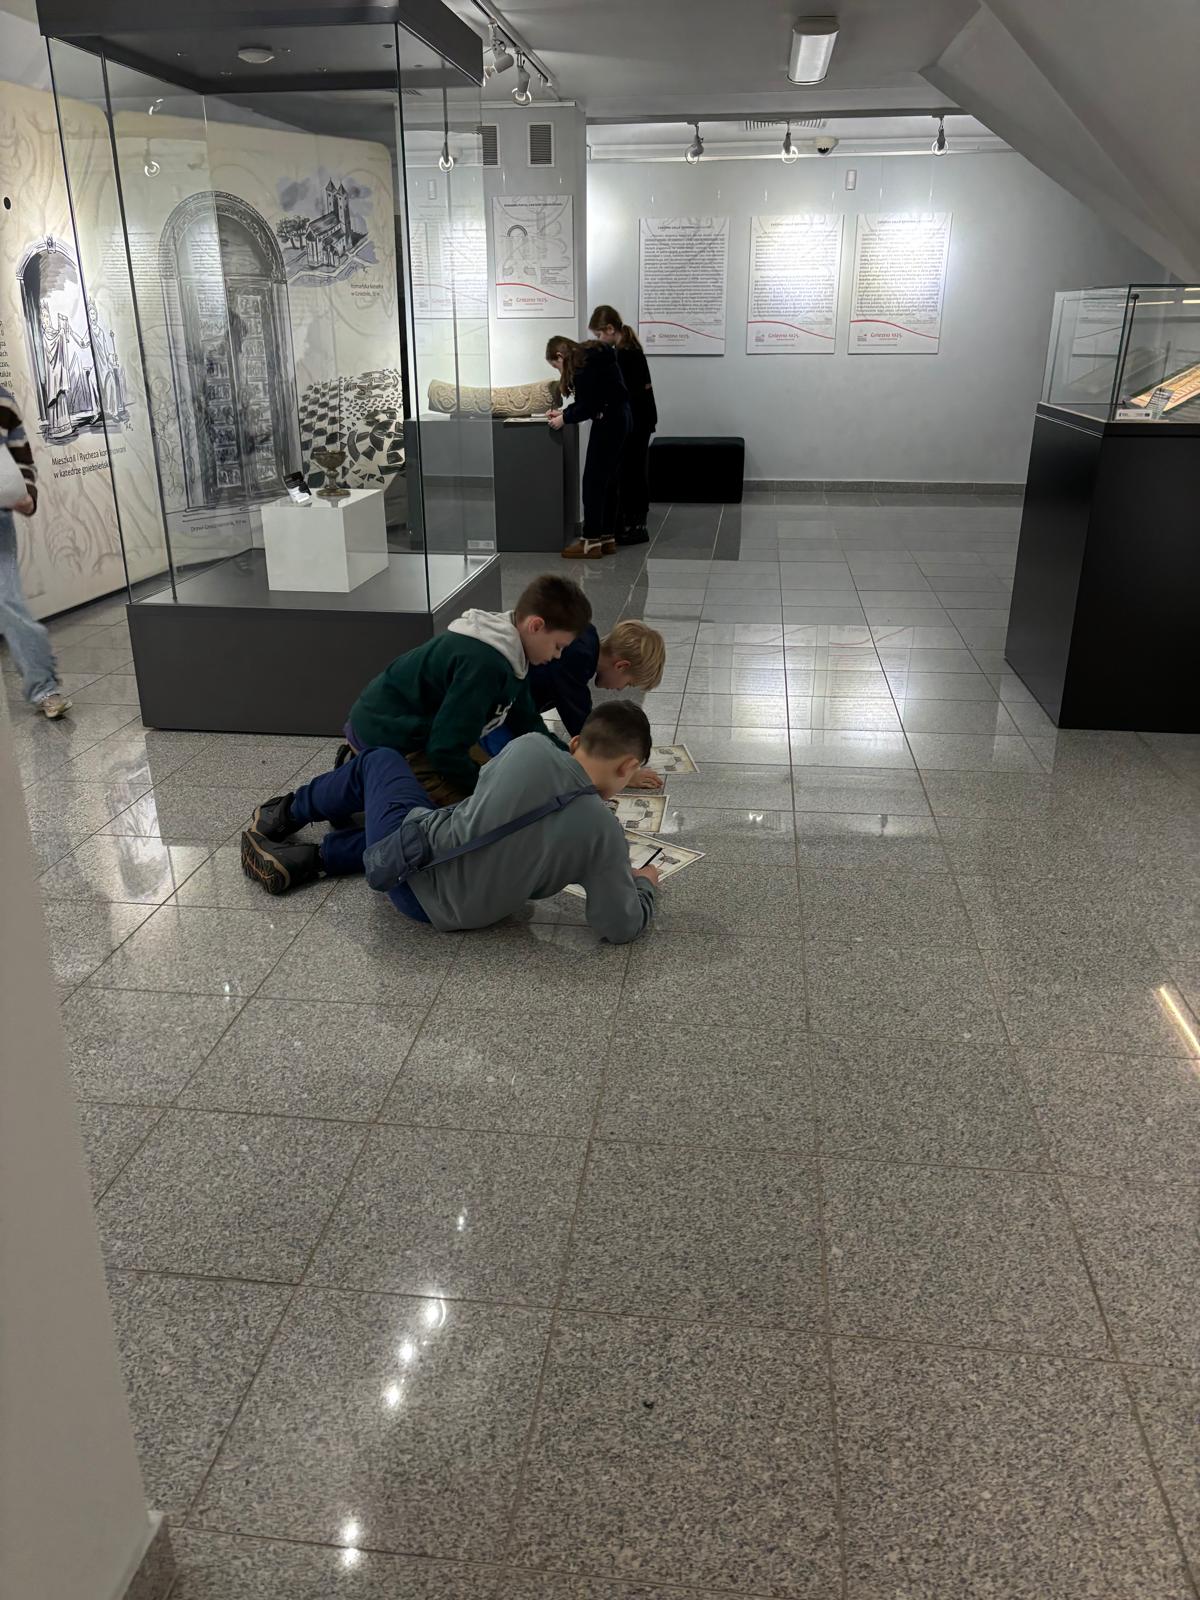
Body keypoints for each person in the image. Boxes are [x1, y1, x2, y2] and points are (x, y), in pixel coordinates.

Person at [240, 700, 660, 944]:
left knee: (380, 759)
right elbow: (619, 926)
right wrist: (644, 886)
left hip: (405, 867)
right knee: (413, 807)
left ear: (575, 742)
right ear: (629, 766)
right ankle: (310, 859)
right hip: (456, 915)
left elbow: (477, 806)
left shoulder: (531, 747)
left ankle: (285, 811)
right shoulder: (605, 834)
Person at [340, 574, 591, 806]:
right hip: (390, 737)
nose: (558, 656)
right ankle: (360, 780)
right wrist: (485, 793)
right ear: (535, 626)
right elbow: (444, 750)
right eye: (558, 646)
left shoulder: (513, 651)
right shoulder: (486, 664)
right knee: (488, 813)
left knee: (503, 780)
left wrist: (570, 761)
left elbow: (526, 721)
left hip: (430, 732)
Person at [480, 619, 667, 790]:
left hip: (502, 697)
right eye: (628, 683)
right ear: (621, 666)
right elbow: (587, 730)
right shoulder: (577, 659)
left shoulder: (585, 634)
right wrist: (621, 772)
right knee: (526, 776)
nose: (620, 689)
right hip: (490, 712)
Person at [0, 386, 71, 720]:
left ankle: (44, 687)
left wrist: (26, 494)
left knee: (8, 602)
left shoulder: (1, 398)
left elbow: (22, 458)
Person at [546, 335, 630, 560]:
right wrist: (566, 412)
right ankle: (607, 537)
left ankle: (590, 542)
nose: (559, 371)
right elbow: (592, 399)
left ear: (560, 356)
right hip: (621, 419)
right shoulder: (594, 356)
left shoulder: (582, 366)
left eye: (556, 366)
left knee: (593, 482)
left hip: (608, 424)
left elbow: (589, 406)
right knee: (608, 481)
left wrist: (564, 419)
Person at [587, 305, 657, 546]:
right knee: (632, 471)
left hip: (635, 422)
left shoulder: (625, 354)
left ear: (609, 329)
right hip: (639, 420)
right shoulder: (629, 350)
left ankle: (635, 525)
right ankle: (632, 523)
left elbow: (624, 392)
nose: (599, 339)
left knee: (632, 472)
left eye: (599, 334)